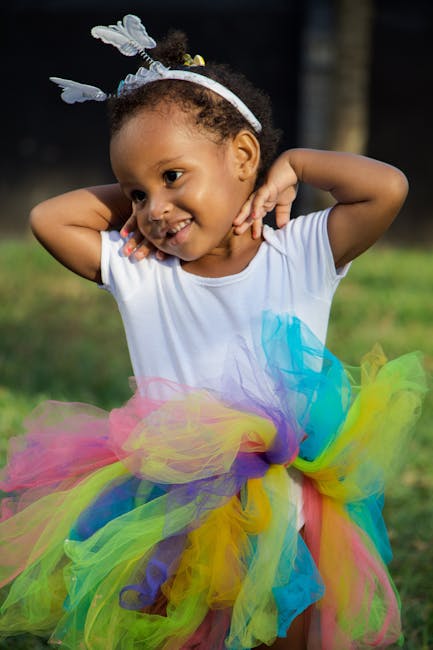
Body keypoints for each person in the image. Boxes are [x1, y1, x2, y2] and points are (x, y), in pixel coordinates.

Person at [0, 15, 426, 650]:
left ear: (244, 157)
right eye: (135, 192)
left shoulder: (299, 251)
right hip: (170, 506)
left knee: (283, 626)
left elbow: (386, 189)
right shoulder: (141, 270)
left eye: (172, 177)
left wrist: (299, 165)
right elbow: (48, 218)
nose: (155, 209)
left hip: (284, 504)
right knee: (178, 632)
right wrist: (143, 201)